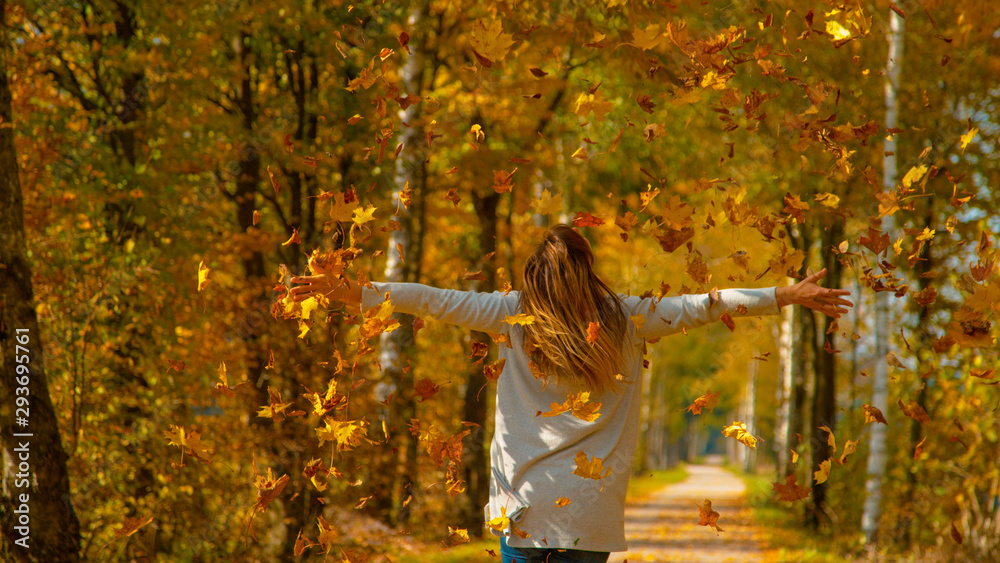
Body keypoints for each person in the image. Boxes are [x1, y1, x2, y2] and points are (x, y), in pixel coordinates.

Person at [290, 224, 852, 563]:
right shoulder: (627, 318)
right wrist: (782, 294)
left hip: (522, 509)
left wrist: (354, 292)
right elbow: (707, 304)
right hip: (591, 511)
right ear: (588, 271)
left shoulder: (511, 313)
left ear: (536, 274)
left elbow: (432, 299)